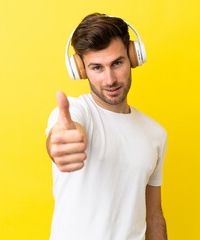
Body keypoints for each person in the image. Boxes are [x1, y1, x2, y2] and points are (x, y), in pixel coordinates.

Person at [45, 13, 167, 240]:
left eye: (117, 63)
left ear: (133, 57)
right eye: (97, 68)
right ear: (81, 70)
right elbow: (63, 133)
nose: (109, 79)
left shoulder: (156, 133)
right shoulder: (75, 112)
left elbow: (153, 216)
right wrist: (61, 143)